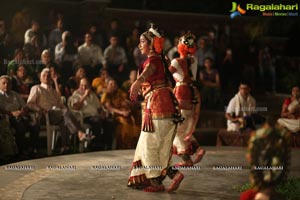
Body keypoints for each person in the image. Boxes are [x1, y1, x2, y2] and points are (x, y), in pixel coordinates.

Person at [128, 23, 183, 192]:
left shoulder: (153, 60)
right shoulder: (163, 59)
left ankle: (155, 182)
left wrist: (138, 81)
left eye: (142, 41)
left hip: (158, 106)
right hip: (169, 106)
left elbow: (149, 71)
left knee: (149, 145)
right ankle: (173, 174)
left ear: (152, 44)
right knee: (162, 146)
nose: (139, 45)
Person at [27, 68, 93, 153]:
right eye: (44, 75)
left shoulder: (54, 92)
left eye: (48, 76)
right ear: (40, 78)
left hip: (57, 114)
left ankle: (65, 147)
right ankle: (79, 133)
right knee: (64, 113)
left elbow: (61, 105)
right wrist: (40, 109)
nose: (46, 77)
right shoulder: (36, 88)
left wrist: (68, 112)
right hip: (44, 114)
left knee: (65, 119)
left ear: (51, 79)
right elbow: (29, 103)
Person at [169, 32, 205, 167]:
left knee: (176, 131)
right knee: (184, 128)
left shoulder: (176, 62)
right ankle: (198, 149)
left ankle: (186, 159)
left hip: (181, 94)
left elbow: (167, 74)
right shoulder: (194, 60)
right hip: (192, 95)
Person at [0, 75, 39, 157]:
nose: (6, 85)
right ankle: (21, 151)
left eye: (8, 83)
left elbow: (25, 106)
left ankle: (32, 149)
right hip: (7, 117)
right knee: (19, 125)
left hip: (21, 116)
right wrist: (12, 113)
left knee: (35, 126)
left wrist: (22, 112)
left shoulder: (15, 94)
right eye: (4, 83)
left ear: (11, 85)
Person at [69, 78, 111, 150]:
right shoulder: (76, 94)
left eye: (86, 86)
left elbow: (99, 108)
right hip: (85, 117)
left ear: (89, 86)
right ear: (79, 85)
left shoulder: (92, 94)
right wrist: (84, 95)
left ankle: (106, 145)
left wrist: (102, 113)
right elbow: (76, 107)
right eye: (82, 85)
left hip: (96, 116)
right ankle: (95, 145)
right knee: (97, 121)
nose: (84, 87)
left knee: (109, 122)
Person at [101, 79, 140, 149]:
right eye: (111, 84)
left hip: (126, 112)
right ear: (107, 86)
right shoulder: (106, 95)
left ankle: (134, 145)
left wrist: (130, 105)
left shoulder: (119, 93)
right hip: (116, 114)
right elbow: (109, 108)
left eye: (115, 84)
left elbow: (126, 100)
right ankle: (124, 145)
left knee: (137, 118)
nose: (113, 85)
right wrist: (122, 113)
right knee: (125, 122)